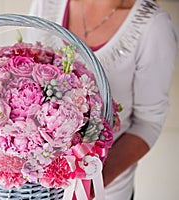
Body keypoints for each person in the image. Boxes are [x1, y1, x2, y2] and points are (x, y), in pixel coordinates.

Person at [29, 0, 178, 199]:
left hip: (105, 193)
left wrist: (89, 182)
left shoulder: (153, 26)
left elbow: (148, 122)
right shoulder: (46, 4)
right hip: (36, 190)